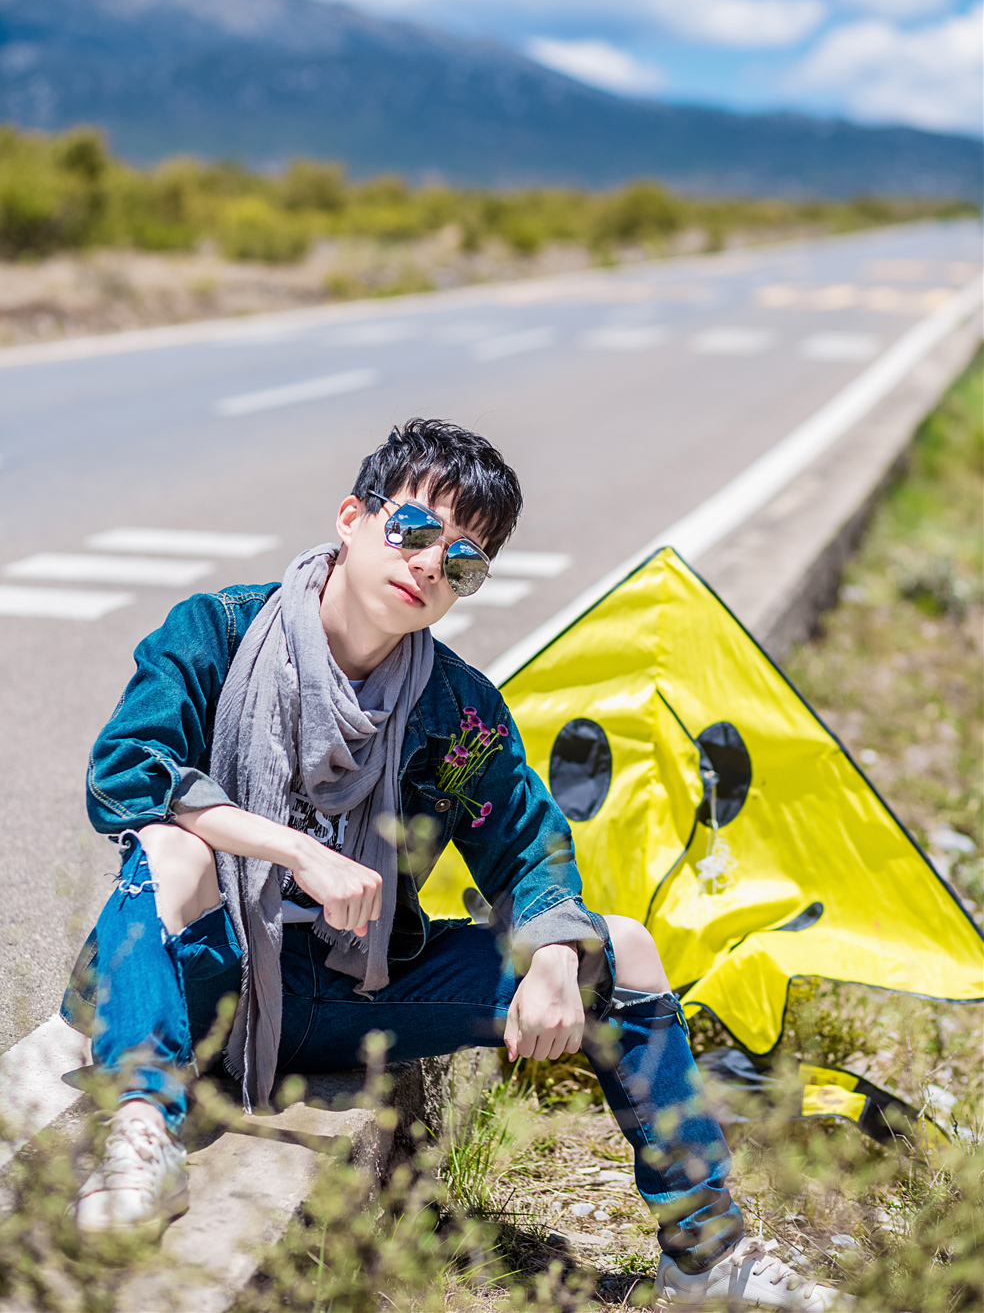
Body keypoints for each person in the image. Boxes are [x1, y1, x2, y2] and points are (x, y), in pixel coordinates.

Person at [62, 418, 850, 1310]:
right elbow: (126, 775)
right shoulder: (219, 632)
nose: (431, 564)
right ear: (353, 519)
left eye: (464, 560)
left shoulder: (455, 711)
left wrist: (553, 955)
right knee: (172, 847)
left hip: (348, 991)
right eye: (413, 529)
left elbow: (529, 850)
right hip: (210, 974)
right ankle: (140, 1131)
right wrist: (295, 850)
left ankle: (707, 1258)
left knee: (621, 949)